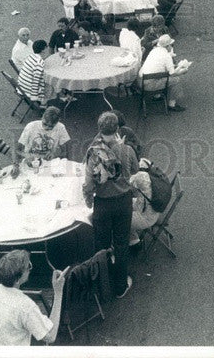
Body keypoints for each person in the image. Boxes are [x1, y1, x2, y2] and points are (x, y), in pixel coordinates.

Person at [82, 112, 139, 299]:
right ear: (116, 129)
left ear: (99, 130)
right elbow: (135, 171)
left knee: (101, 245)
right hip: (123, 202)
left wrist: (89, 199)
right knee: (121, 244)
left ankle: (101, 285)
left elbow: (89, 183)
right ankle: (120, 286)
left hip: (103, 204)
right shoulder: (127, 150)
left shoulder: (93, 152)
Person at [0, 249, 66, 346]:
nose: (30, 269)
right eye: (29, 266)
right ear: (18, 279)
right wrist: (58, 292)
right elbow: (50, 336)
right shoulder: (25, 305)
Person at [137, 34, 188, 111]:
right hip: (149, 85)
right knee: (176, 80)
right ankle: (172, 104)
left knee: (159, 74)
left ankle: (157, 96)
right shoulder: (166, 55)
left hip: (141, 80)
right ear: (168, 46)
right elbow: (172, 73)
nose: (172, 47)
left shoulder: (154, 51)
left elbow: (159, 67)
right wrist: (183, 71)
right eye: (172, 45)